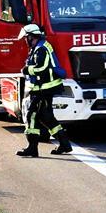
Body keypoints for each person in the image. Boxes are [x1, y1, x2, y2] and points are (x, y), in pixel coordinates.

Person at [16, 23, 72, 157]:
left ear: (31, 37)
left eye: (26, 38)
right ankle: (64, 144)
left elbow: (41, 68)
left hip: (44, 89)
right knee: (47, 117)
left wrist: (26, 70)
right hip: (44, 87)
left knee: (32, 116)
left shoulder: (41, 49)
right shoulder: (39, 47)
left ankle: (32, 148)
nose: (25, 40)